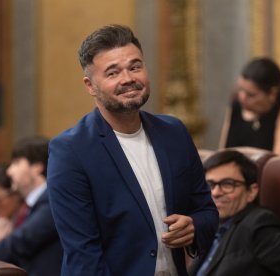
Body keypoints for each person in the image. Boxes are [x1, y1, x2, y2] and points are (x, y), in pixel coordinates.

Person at [47, 24, 219, 276]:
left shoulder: (174, 133)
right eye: (113, 73)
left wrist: (193, 226)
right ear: (90, 85)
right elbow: (83, 254)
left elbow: (207, 211)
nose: (128, 79)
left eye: (135, 67)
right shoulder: (71, 151)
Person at [188, 150, 280, 275]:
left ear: (251, 192)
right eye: (210, 184)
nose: (215, 193)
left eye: (227, 184)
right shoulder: (212, 226)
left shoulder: (258, 224)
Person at [0, 137, 62, 276]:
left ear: (36, 167)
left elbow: (21, 242)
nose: (9, 171)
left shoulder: (52, 201)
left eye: (16, 163)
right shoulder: (35, 203)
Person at [218, 57, 280, 155]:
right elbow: (222, 152)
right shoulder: (236, 106)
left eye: (251, 95)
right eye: (240, 90)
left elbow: (279, 161)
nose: (242, 98)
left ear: (272, 94)